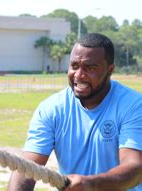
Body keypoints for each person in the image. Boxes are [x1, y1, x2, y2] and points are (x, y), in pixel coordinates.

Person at [7, 33, 142, 191]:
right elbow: (27, 169)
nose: (79, 75)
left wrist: (90, 184)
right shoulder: (51, 108)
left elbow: (135, 168)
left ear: (110, 69)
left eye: (90, 68)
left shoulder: (133, 105)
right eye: (74, 66)